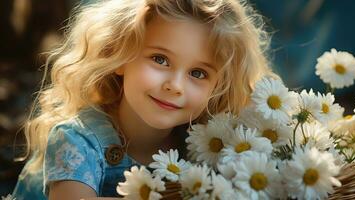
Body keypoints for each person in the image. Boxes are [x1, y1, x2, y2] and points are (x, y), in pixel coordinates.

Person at [12, 0, 277, 199]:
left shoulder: (203, 148)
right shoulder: (77, 139)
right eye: (160, 59)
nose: (174, 86)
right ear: (120, 55)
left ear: (219, 87)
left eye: (198, 73)